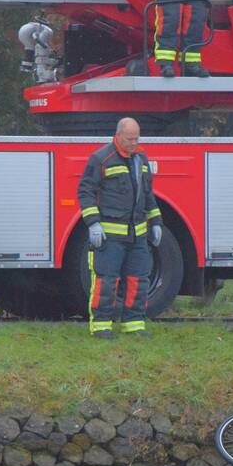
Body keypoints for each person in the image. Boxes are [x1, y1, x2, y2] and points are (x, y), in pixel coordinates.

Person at [77, 117, 163, 338]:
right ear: (118, 136)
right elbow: (85, 192)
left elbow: (147, 195)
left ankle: (134, 324)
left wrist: (156, 223)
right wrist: (93, 223)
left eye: (136, 138)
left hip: (138, 236)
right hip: (110, 236)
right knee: (106, 281)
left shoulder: (141, 159)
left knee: (138, 280)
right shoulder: (101, 159)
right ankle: (101, 325)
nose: (134, 143)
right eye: (129, 139)